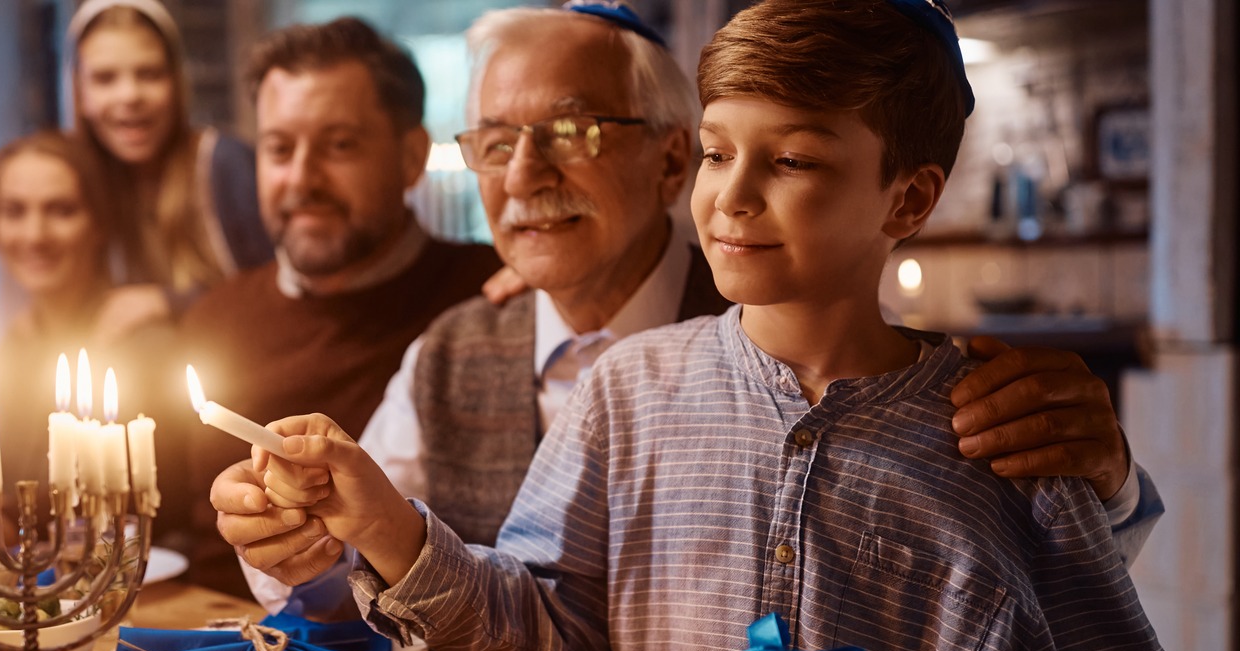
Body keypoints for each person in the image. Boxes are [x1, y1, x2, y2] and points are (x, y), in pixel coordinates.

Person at [240, 1, 1207, 651]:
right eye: (716, 152)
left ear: (907, 199)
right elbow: (541, 630)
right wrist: (385, 525)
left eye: (792, 161)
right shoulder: (625, 391)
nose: (733, 198)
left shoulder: (998, 435)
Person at [215, 2, 1160, 610]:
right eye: (496, 142)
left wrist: (1108, 478)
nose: (525, 176)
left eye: (572, 132)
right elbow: (353, 554)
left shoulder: (781, 296)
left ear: (669, 160)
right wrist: (291, 538)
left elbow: (1059, 597)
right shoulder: (459, 341)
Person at [174, 17, 503, 593]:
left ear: (410, 156)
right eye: (279, 148)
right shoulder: (214, 319)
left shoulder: (491, 300)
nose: (303, 177)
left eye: (340, 145)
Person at [0, 131, 182, 528]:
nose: (35, 235)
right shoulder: (13, 346)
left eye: (61, 210)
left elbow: (171, 514)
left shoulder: (146, 345)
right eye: (14, 211)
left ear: (100, 222)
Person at [65, 0, 271, 311]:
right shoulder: (83, 188)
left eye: (149, 74)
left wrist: (168, 304)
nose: (130, 95)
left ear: (176, 83)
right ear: (79, 93)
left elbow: (284, 289)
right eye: (105, 79)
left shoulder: (223, 165)